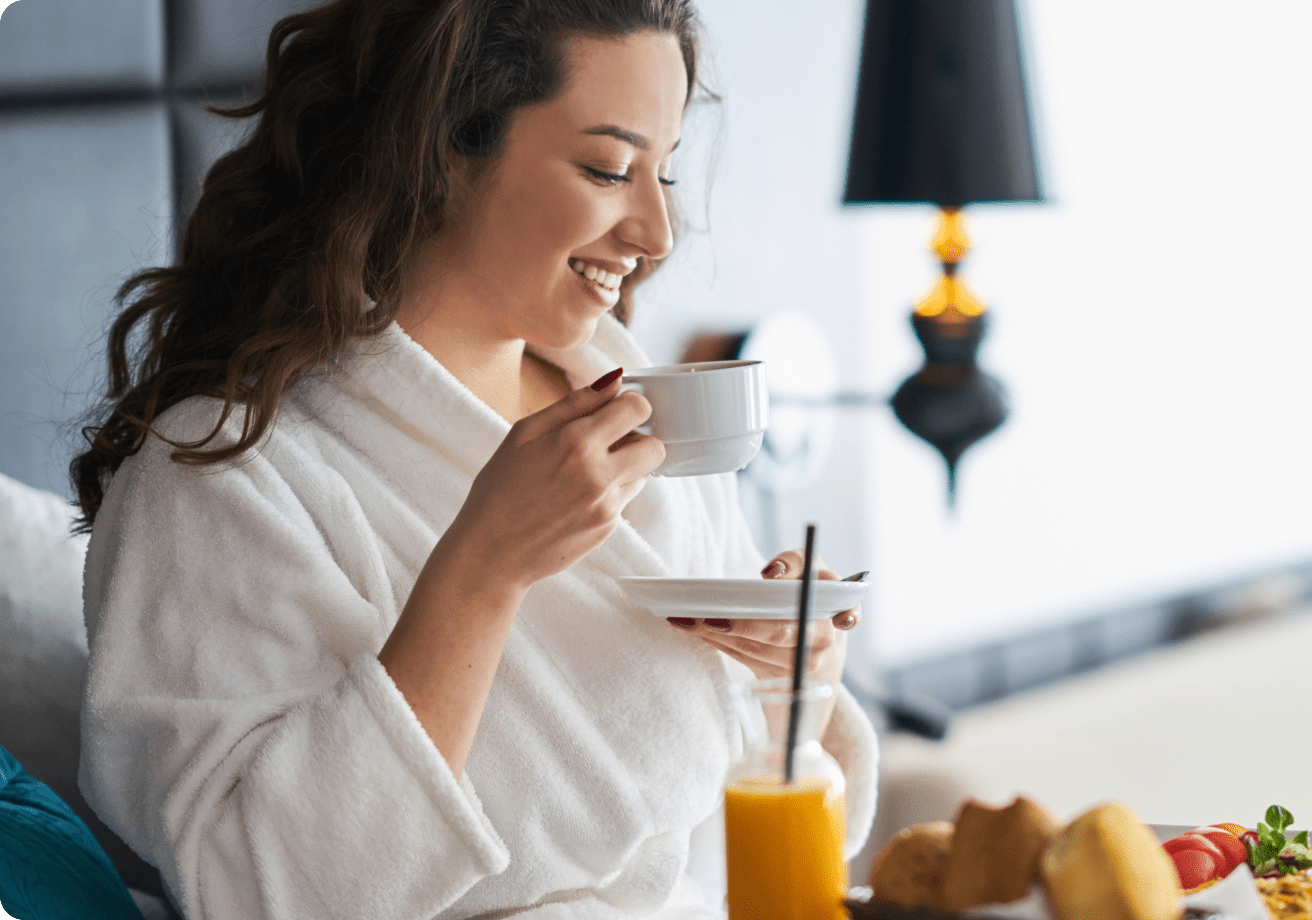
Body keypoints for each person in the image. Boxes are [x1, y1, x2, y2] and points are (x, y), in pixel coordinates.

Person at [68, 1, 876, 917]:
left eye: (666, 173)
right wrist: (482, 569)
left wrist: (790, 679)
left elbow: (744, 826)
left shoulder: (641, 412)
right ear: (446, 150)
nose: (656, 233)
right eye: (609, 169)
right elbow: (255, 891)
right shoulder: (222, 479)